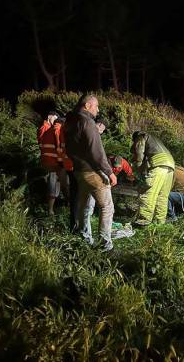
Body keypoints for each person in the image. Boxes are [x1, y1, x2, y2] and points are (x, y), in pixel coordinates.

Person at [64, 94, 116, 251]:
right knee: (107, 206)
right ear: (87, 106)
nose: (98, 109)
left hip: (78, 171)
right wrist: (109, 172)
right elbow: (96, 151)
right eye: (96, 106)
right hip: (92, 171)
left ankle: (85, 239)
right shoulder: (88, 122)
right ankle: (105, 245)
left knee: (85, 207)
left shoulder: (71, 122)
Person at [131, 131, 175, 226]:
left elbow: (139, 154)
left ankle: (143, 221)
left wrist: (137, 171)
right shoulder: (155, 140)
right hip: (171, 164)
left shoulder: (141, 136)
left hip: (158, 163)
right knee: (162, 196)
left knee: (149, 192)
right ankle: (159, 222)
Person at [37, 110, 70, 215]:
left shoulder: (48, 130)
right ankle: (70, 207)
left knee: (54, 185)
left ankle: (51, 210)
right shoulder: (56, 129)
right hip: (57, 163)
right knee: (65, 185)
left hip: (50, 163)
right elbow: (60, 148)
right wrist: (62, 162)